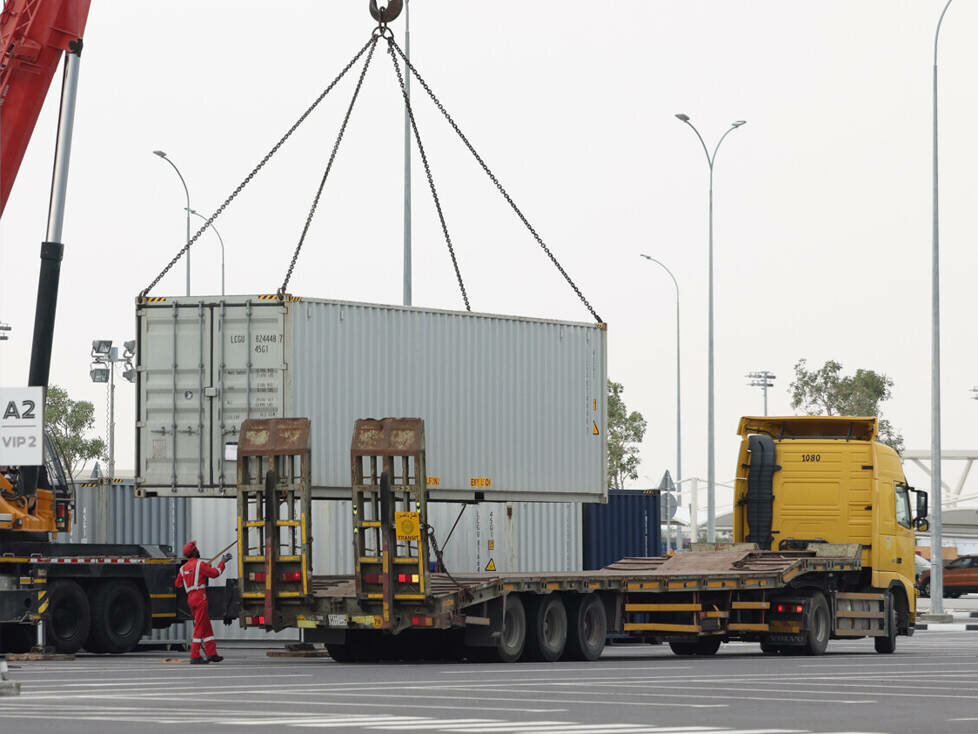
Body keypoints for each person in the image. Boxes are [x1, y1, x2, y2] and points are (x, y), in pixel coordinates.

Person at [175, 540, 232, 664]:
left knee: (205, 626)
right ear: (194, 551)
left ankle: (212, 653)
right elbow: (215, 573)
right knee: (200, 627)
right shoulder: (200, 564)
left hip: (190, 598)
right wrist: (222, 562)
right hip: (200, 597)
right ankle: (194, 655)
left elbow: (178, 583)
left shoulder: (182, 568)